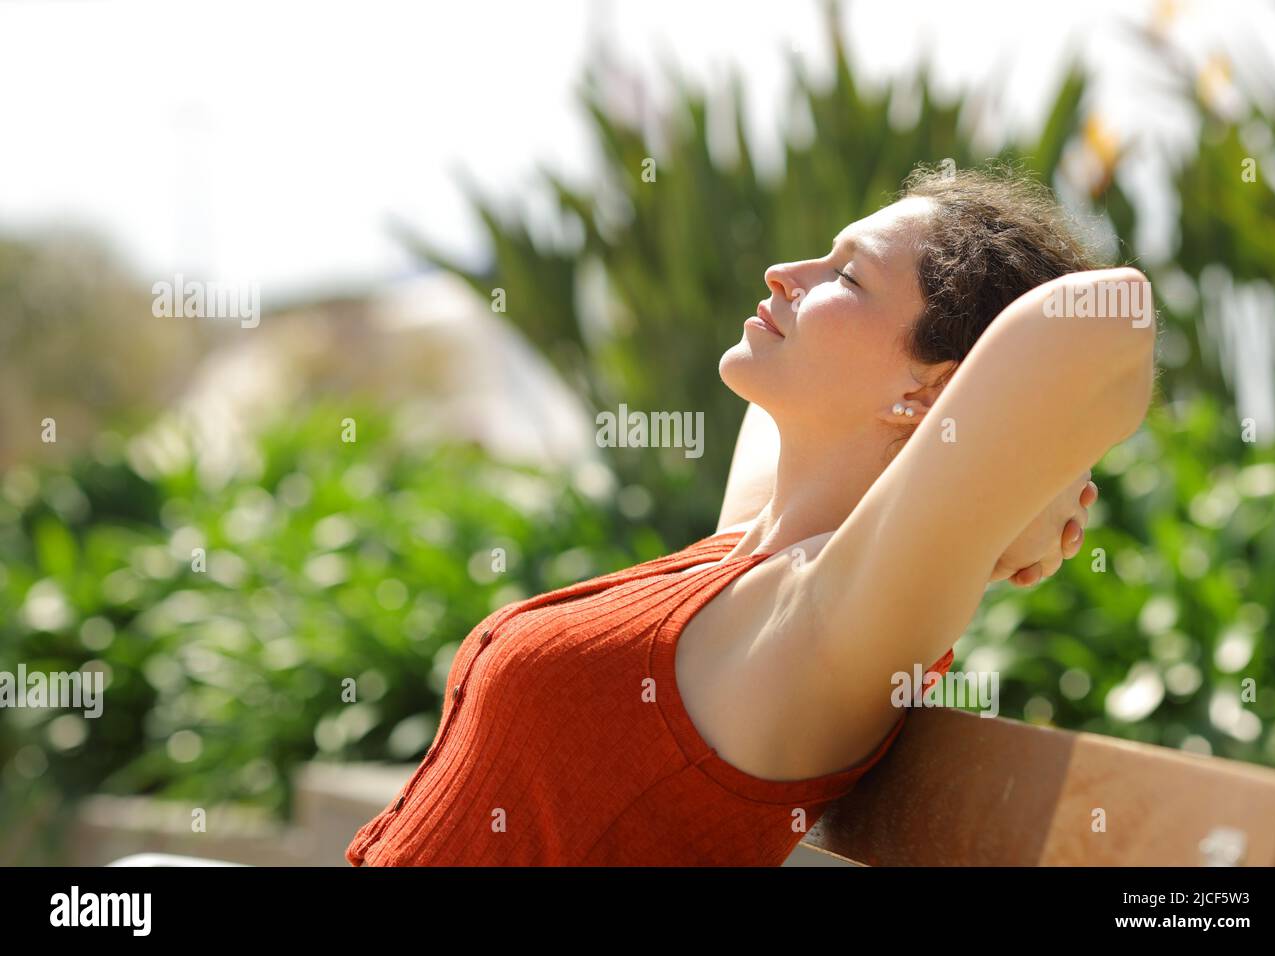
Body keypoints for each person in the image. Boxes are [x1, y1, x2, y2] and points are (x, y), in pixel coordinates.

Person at [347, 164, 1157, 867]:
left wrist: (1030, 484)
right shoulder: (751, 550)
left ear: (930, 391)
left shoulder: (830, 621)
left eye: (846, 276)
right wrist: (1015, 494)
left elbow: (1106, 317)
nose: (781, 272)